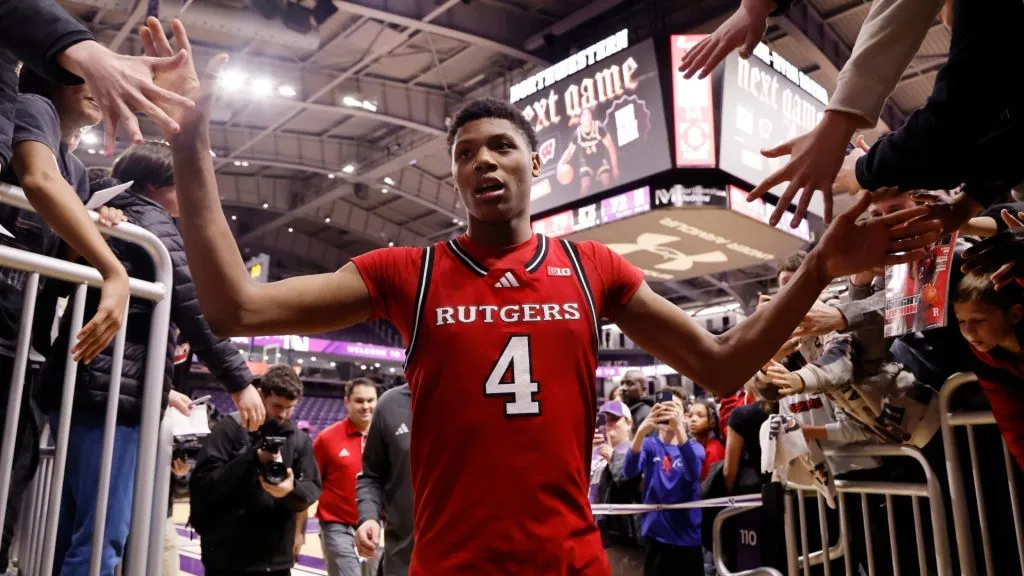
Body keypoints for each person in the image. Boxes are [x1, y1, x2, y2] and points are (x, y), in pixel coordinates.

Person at [149, 16, 942, 574]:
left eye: (502, 147)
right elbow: (236, 311)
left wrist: (819, 268)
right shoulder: (408, 271)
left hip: (571, 560)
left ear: (537, 165)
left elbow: (724, 361)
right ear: (455, 175)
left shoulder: (595, 267)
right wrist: (191, 142)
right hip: (452, 564)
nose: (484, 161)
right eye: (465, 153)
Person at [34, 140, 260, 574]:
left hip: (77, 386)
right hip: (115, 398)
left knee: (67, 529)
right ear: (157, 184)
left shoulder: (101, 213)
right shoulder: (152, 221)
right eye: (182, 183)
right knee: (102, 535)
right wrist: (239, 380)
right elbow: (195, 308)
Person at [0, 0, 194, 173]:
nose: (99, 88)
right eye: (86, 76)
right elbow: (41, 180)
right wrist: (86, 53)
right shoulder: (30, 110)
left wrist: (192, 136)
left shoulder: (75, 170)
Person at [189, 366, 322, 576]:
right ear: (261, 395)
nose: (283, 414)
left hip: (275, 559)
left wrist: (290, 491)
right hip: (226, 556)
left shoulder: (298, 439)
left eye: (290, 407)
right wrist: (252, 458)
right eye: (277, 406)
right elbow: (204, 485)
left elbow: (312, 489)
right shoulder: (229, 429)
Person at [623, 388, 704, 575]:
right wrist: (642, 430)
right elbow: (629, 471)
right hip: (656, 537)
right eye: (663, 408)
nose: (667, 413)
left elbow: (693, 473)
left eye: (673, 408)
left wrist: (679, 429)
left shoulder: (695, 447)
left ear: (684, 415)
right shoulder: (649, 445)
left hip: (687, 538)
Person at [952, 272, 1024, 470]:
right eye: (961, 321)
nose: (969, 331)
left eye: (978, 320)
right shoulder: (983, 356)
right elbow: (1011, 421)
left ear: (1014, 315)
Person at [314, 377, 378, 576]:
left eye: (370, 400)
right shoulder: (326, 439)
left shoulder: (384, 437)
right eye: (359, 401)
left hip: (374, 525)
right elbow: (310, 484)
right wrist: (298, 533)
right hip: (336, 524)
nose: (366, 406)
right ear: (347, 402)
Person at [355, 384, 413, 576]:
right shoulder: (390, 404)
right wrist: (369, 516)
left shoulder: (475, 399)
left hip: (462, 558)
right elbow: (371, 476)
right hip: (401, 559)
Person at [589, 401, 643, 576]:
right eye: (604, 420)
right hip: (594, 533)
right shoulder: (592, 452)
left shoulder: (635, 451)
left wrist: (614, 457)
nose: (609, 425)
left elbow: (632, 485)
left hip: (621, 537)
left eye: (614, 419)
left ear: (629, 423)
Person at [686, 398, 724, 481]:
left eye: (700, 416)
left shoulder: (714, 450)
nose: (693, 419)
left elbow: (709, 486)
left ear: (712, 422)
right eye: (690, 416)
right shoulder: (692, 445)